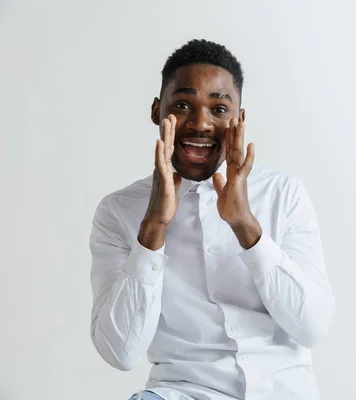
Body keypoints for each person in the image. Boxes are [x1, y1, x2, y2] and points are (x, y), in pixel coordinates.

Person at [89, 39, 335, 400]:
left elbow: (313, 328)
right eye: (183, 105)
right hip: (182, 392)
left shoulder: (284, 194)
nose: (201, 123)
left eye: (219, 109)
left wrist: (246, 226)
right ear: (158, 110)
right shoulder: (118, 211)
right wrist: (152, 230)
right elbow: (120, 353)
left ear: (238, 118)